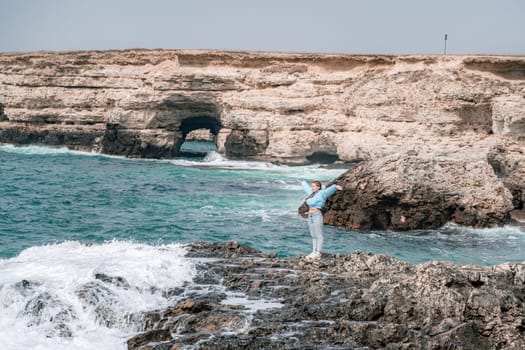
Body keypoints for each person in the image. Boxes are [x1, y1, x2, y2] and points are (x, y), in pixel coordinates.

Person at [300, 180, 343, 259]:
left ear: (318, 187)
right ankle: (314, 251)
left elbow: (329, 190)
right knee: (313, 235)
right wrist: (302, 181)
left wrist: (336, 187)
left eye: (313, 186)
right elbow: (306, 187)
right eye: (312, 186)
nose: (312, 187)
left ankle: (318, 252)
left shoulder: (322, 193)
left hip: (317, 215)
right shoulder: (311, 193)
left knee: (318, 235)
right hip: (310, 215)